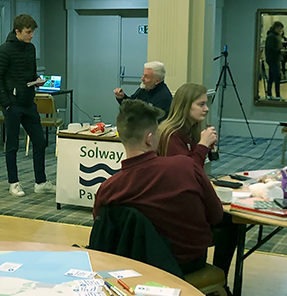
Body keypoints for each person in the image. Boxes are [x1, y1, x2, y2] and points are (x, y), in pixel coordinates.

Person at [93, 99, 222, 275]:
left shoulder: (108, 189)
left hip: (135, 266)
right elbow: (216, 215)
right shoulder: (185, 167)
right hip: (187, 264)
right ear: (149, 139)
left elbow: (105, 233)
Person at [156, 83, 246, 296]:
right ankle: (219, 285)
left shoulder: (186, 132)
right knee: (231, 223)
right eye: (201, 104)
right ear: (185, 106)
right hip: (176, 213)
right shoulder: (170, 135)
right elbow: (187, 173)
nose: (206, 109)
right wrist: (202, 147)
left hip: (186, 203)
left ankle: (218, 283)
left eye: (207, 103)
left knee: (232, 221)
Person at [0, 14, 54, 197]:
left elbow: (31, 73)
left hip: (28, 102)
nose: (32, 35)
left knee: (40, 142)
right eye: (28, 32)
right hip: (13, 105)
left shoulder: (30, 48)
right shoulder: (4, 50)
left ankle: (40, 182)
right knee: (12, 145)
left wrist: (36, 81)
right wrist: (7, 104)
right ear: (17, 31)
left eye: (33, 31)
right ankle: (13, 183)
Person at [265, 22, 284, 100]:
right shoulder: (272, 37)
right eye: (280, 28)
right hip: (273, 59)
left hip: (271, 59)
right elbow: (270, 48)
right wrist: (279, 51)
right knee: (276, 77)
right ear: (276, 27)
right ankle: (277, 95)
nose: (280, 31)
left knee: (271, 77)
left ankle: (269, 94)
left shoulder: (271, 36)